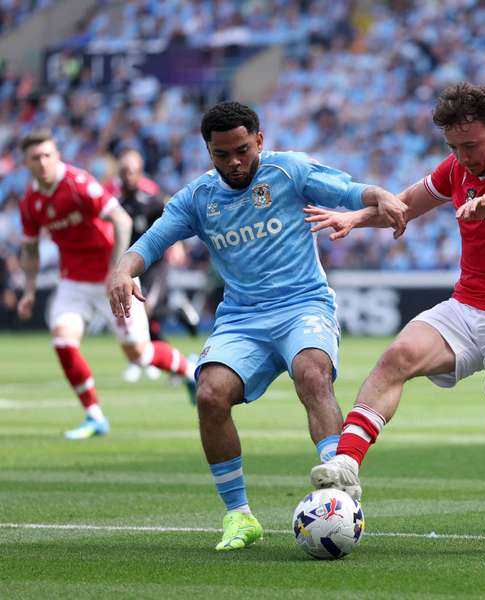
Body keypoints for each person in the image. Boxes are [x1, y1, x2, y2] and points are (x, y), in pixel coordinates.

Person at [106, 101, 407, 552]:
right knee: (210, 393)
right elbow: (151, 241)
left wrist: (377, 195)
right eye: (222, 154)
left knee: (312, 373)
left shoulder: (289, 172)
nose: (234, 162)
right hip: (242, 318)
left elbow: (348, 189)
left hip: (303, 305)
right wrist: (122, 269)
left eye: (242, 150)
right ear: (208, 152)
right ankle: (239, 516)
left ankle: (339, 491)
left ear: (259, 141)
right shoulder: (198, 198)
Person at [304, 82, 485, 554]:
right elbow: (405, 206)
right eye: (454, 146)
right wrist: (355, 218)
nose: (463, 156)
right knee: (396, 356)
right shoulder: (456, 168)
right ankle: (347, 466)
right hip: (468, 306)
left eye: (471, 145)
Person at [16, 130, 197, 440]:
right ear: (27, 163)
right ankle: (94, 415)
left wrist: (118, 272)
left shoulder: (78, 184)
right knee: (62, 340)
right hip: (73, 281)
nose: (43, 162)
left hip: (111, 279)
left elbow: (122, 220)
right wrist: (29, 291)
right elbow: (30, 249)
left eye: (48, 155)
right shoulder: (30, 202)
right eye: (36, 157)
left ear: (57, 155)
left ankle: (189, 370)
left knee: (138, 354)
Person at [104, 148, 200, 382]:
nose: (127, 176)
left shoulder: (152, 200)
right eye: (124, 171)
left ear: (140, 173)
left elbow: (172, 221)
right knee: (143, 318)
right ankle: (169, 363)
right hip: (131, 269)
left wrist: (176, 245)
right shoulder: (116, 204)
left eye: (132, 171)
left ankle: (178, 313)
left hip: (155, 266)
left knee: (146, 310)